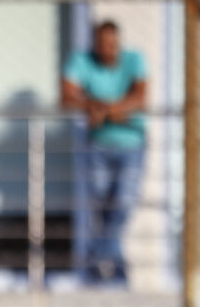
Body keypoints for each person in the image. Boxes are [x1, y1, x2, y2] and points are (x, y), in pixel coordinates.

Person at [62, 20, 148, 286]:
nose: (108, 49)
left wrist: (103, 111)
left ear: (119, 43)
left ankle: (100, 261)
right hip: (98, 144)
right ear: (95, 44)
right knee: (98, 205)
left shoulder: (134, 60)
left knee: (122, 205)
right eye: (102, 44)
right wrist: (95, 105)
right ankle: (115, 266)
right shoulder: (83, 61)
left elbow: (140, 97)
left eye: (112, 43)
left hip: (132, 144)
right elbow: (67, 97)